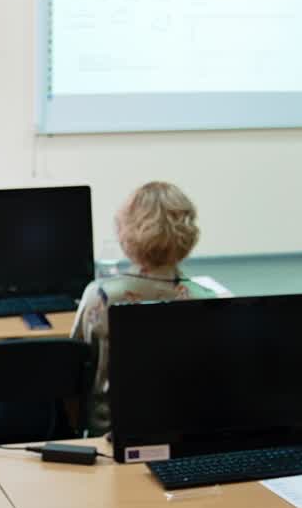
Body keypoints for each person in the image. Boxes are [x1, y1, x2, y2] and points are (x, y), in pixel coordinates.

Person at [71, 181, 227, 434]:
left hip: (111, 432)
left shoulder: (101, 296)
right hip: (186, 432)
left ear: (126, 232)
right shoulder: (208, 299)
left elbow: (77, 369)